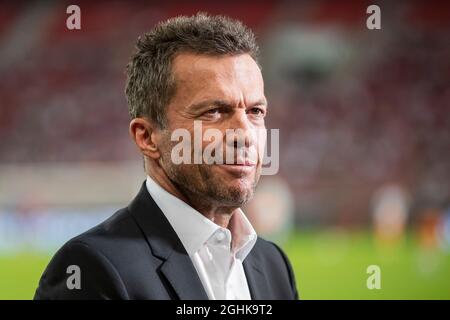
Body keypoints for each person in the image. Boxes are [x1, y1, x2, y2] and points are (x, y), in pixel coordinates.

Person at [34, 13, 298, 300]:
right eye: (213, 112)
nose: (244, 134)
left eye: (255, 112)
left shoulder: (274, 266)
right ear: (147, 137)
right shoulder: (91, 268)